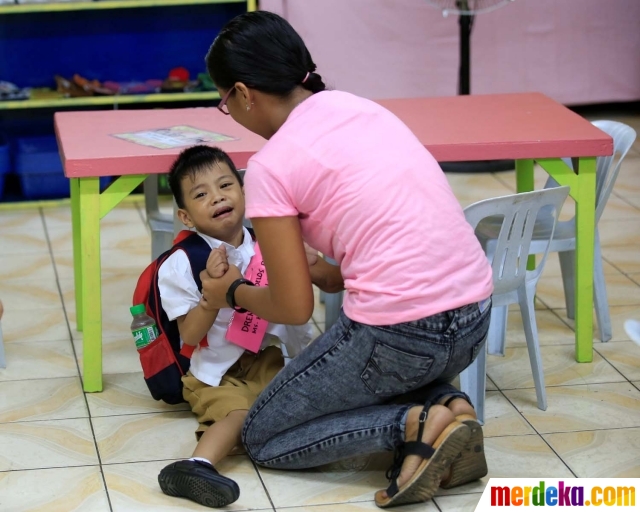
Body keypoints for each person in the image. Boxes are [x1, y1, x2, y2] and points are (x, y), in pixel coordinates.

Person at [199, 11, 494, 509]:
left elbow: (293, 308)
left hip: (399, 336)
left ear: (245, 93)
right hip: (473, 321)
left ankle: (414, 425)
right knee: (376, 369)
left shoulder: (271, 167)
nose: (232, 111)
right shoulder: (362, 109)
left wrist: (227, 292)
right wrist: (317, 270)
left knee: (264, 435)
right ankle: (451, 407)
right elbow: (363, 262)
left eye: (225, 101)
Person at [156, 145, 312, 508]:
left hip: (265, 359)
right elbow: (190, 336)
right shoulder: (180, 265)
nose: (217, 197)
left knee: (296, 404)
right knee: (238, 414)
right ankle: (197, 466)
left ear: (243, 192)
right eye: (201, 194)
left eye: (226, 185)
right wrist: (213, 295)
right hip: (213, 373)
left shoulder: (268, 245)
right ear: (186, 216)